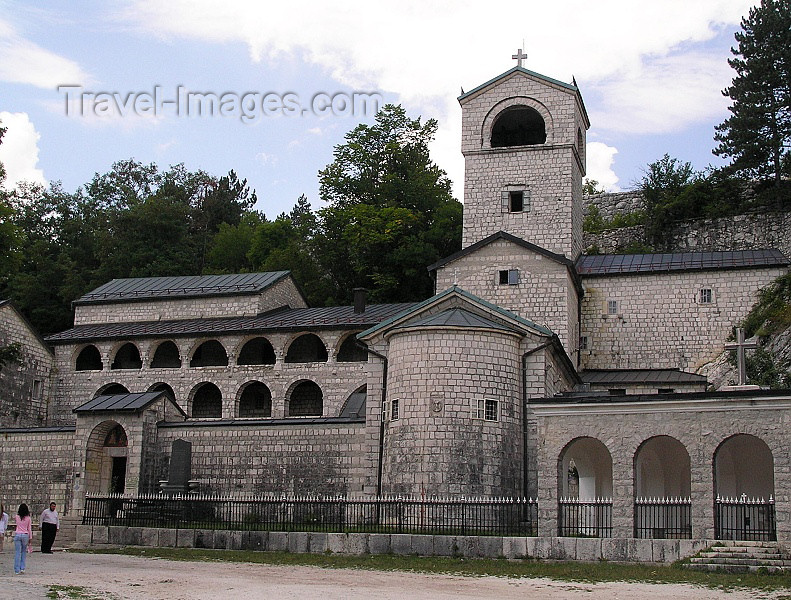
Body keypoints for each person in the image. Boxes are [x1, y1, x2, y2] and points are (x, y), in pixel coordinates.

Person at [13, 503, 33, 574]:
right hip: (25, 535)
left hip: (18, 534)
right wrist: (30, 538)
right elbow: (29, 528)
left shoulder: (17, 517)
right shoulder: (28, 518)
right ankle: (22, 568)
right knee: (23, 552)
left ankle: (16, 569)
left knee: (17, 552)